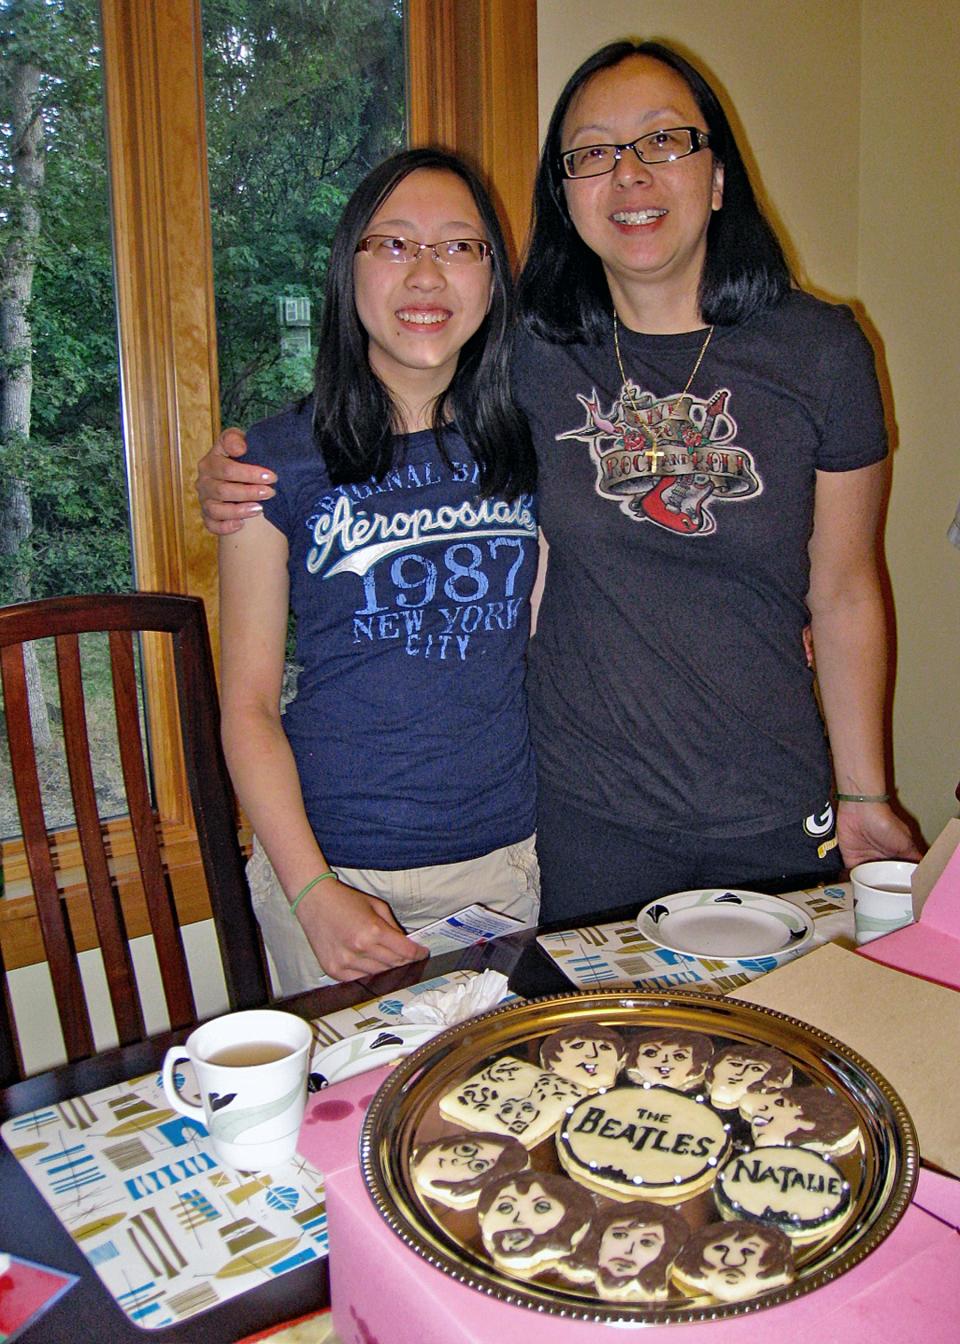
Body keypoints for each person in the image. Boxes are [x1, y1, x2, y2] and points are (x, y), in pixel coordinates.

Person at [198, 41, 920, 925]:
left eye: (662, 142)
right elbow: (387, 385)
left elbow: (845, 590)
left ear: (718, 176)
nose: (629, 175)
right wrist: (238, 470)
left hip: (769, 795)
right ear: (566, 194)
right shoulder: (527, 355)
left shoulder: (822, 352)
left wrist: (864, 792)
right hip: (580, 816)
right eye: (593, 153)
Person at [217, 147, 539, 991]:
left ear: (493, 279)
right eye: (393, 244)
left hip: (504, 867)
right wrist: (313, 891)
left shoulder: (533, 442)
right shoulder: (273, 458)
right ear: (347, 270)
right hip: (331, 870)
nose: (426, 275)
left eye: (459, 246)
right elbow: (246, 706)